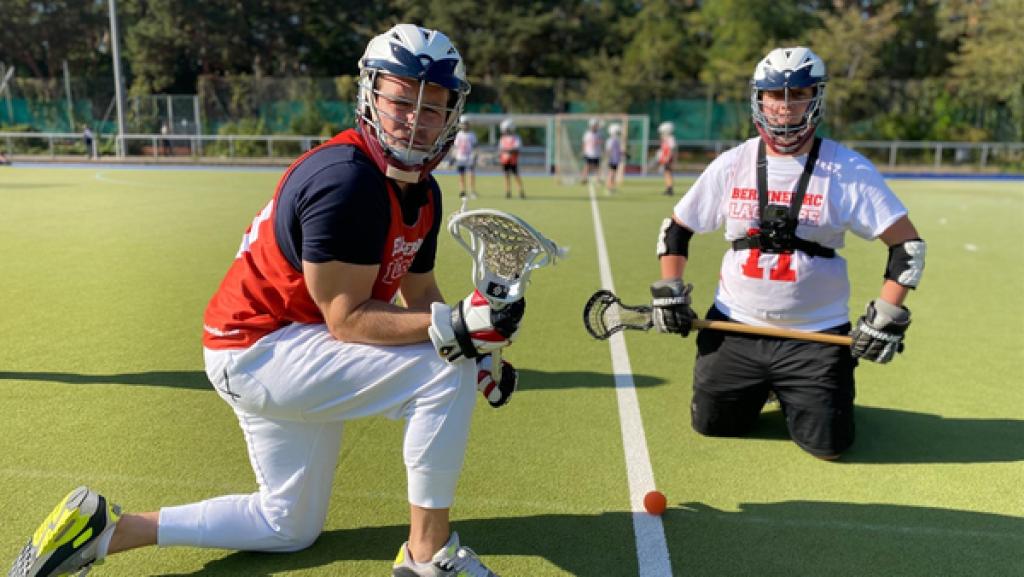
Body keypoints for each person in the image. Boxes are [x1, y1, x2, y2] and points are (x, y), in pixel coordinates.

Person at [8, 24, 522, 577]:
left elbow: (419, 295)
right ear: (371, 95)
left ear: (451, 116)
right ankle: (427, 557)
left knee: (288, 526)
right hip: (258, 347)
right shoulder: (347, 180)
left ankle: (106, 531)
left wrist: (474, 347)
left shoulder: (422, 188)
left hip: (288, 344)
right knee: (436, 368)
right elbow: (347, 320)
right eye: (401, 100)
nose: (414, 119)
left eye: (432, 107)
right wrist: (458, 334)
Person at [651, 47, 925, 460]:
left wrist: (886, 315)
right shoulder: (733, 163)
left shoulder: (847, 169)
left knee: (829, 447)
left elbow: (907, 246)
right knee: (713, 426)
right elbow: (677, 229)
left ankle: (800, 389)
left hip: (815, 335)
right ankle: (761, 387)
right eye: (774, 95)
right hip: (734, 326)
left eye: (797, 94)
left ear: (815, 98)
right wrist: (670, 287)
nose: (784, 106)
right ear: (758, 99)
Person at [498, 118, 525, 199]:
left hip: (513, 160)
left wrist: (509, 151)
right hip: (505, 160)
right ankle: (508, 192)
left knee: (516, 176)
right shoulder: (502, 138)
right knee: (506, 176)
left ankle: (521, 191)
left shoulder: (516, 137)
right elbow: (501, 148)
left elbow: (516, 148)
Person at [452, 115, 478, 199]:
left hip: (469, 157)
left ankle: (472, 191)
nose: (464, 125)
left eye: (466, 124)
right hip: (460, 157)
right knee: (461, 175)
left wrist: (475, 156)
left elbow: (475, 147)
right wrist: (454, 157)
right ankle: (463, 191)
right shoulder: (459, 135)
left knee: (471, 175)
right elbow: (456, 147)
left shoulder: (472, 135)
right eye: (463, 124)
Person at [580, 117, 602, 184]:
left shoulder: (598, 133)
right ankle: (584, 179)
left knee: (597, 167)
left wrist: (598, 143)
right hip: (589, 153)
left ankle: (598, 179)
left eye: (596, 125)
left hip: (596, 153)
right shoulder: (587, 134)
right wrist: (583, 151)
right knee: (587, 166)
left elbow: (600, 142)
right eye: (594, 125)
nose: (595, 127)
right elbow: (584, 143)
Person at [656, 121, 676, 196]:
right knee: (666, 173)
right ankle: (668, 188)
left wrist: (667, 158)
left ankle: (670, 189)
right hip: (666, 159)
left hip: (668, 159)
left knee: (668, 173)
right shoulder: (666, 138)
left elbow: (670, 150)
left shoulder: (670, 139)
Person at [604, 123, 623, 193]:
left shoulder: (616, 140)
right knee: (611, 174)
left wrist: (624, 153)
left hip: (616, 160)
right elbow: (608, 150)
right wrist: (608, 158)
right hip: (612, 159)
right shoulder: (611, 140)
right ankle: (608, 188)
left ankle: (611, 187)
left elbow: (618, 150)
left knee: (613, 174)